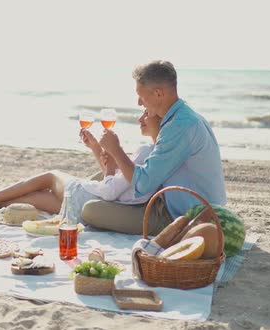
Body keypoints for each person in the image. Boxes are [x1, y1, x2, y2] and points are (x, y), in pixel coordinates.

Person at [83, 60, 227, 234]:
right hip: (187, 205)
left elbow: (143, 184)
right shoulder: (183, 116)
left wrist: (116, 149)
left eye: (141, 96)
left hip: (186, 218)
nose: (139, 103)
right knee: (105, 178)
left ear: (158, 93)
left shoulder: (179, 126)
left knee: (90, 211)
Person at [0, 110, 163, 224]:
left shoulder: (145, 151)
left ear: (160, 121)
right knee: (36, 197)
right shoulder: (156, 154)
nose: (140, 118)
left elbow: (109, 189)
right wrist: (96, 148)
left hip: (90, 199)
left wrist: (112, 153)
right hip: (88, 205)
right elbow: (116, 183)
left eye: (147, 114)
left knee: (51, 176)